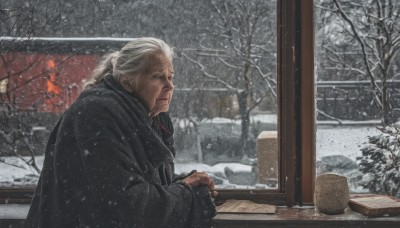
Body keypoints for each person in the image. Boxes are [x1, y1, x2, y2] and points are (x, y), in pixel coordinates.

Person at [25, 37, 217, 228]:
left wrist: (187, 183)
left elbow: (142, 186)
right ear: (127, 82)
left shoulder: (147, 117)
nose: (170, 85)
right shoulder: (97, 116)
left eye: (171, 76)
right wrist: (185, 190)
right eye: (157, 77)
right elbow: (127, 207)